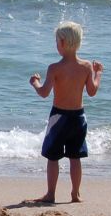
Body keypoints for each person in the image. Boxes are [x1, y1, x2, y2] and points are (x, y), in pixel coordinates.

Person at [28, 21, 103, 203]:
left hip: (59, 117)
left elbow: (44, 93)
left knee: (53, 158)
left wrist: (35, 83)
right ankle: (75, 194)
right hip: (78, 117)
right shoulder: (85, 66)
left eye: (56, 42)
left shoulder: (54, 68)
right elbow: (92, 92)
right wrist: (98, 73)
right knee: (75, 157)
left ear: (61, 43)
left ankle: (51, 194)